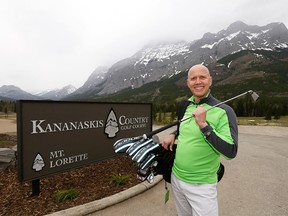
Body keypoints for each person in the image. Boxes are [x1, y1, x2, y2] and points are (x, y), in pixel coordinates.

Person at [161, 64, 238, 216]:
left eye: (202, 77)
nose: (198, 81)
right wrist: (173, 134)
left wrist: (204, 125)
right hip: (176, 178)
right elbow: (183, 126)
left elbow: (231, 151)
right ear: (188, 83)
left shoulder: (225, 111)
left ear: (210, 81)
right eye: (193, 78)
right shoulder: (185, 104)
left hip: (202, 185)